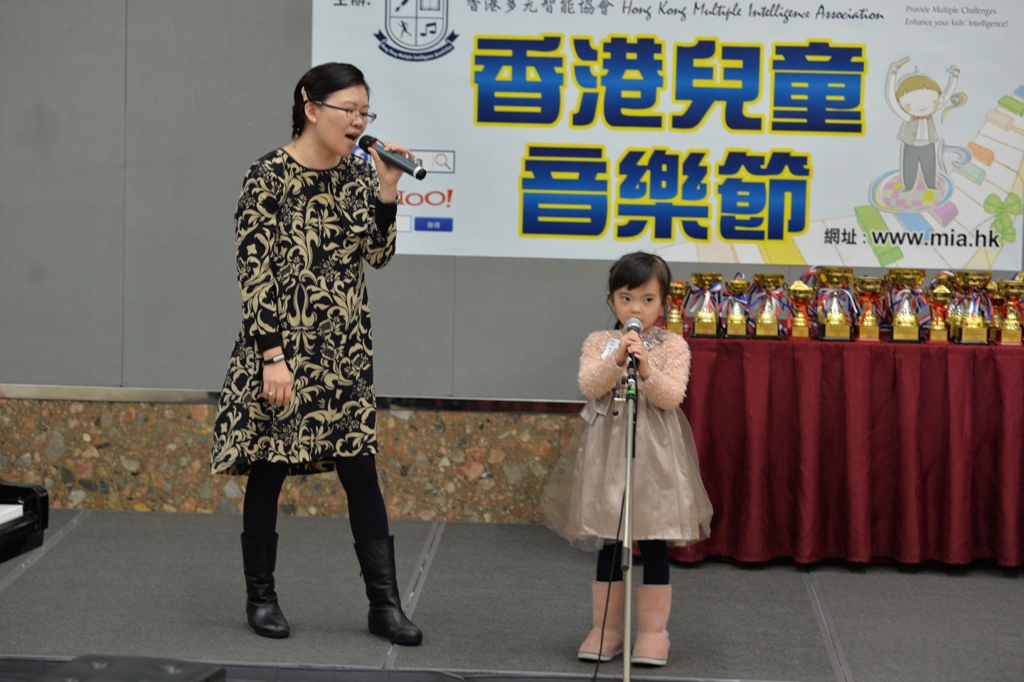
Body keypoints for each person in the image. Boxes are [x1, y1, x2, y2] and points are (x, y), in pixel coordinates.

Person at [210, 62, 421, 645]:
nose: (358, 122)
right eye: (348, 110)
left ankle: (385, 607)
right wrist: (271, 356)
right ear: (311, 108)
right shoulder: (268, 176)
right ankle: (261, 598)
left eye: (364, 112)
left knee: (361, 472)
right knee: (269, 467)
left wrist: (386, 189)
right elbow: (254, 274)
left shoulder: (358, 174)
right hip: (282, 350)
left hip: (345, 351)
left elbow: (377, 255)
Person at [542, 251, 712, 667]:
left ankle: (653, 633)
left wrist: (647, 368)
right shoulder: (599, 342)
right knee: (609, 534)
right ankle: (606, 628)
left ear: (664, 302)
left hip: (655, 455)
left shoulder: (674, 345)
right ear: (611, 300)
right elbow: (589, 385)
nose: (636, 309)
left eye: (648, 299)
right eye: (626, 298)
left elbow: (671, 396)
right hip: (608, 452)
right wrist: (618, 357)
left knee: (652, 538)